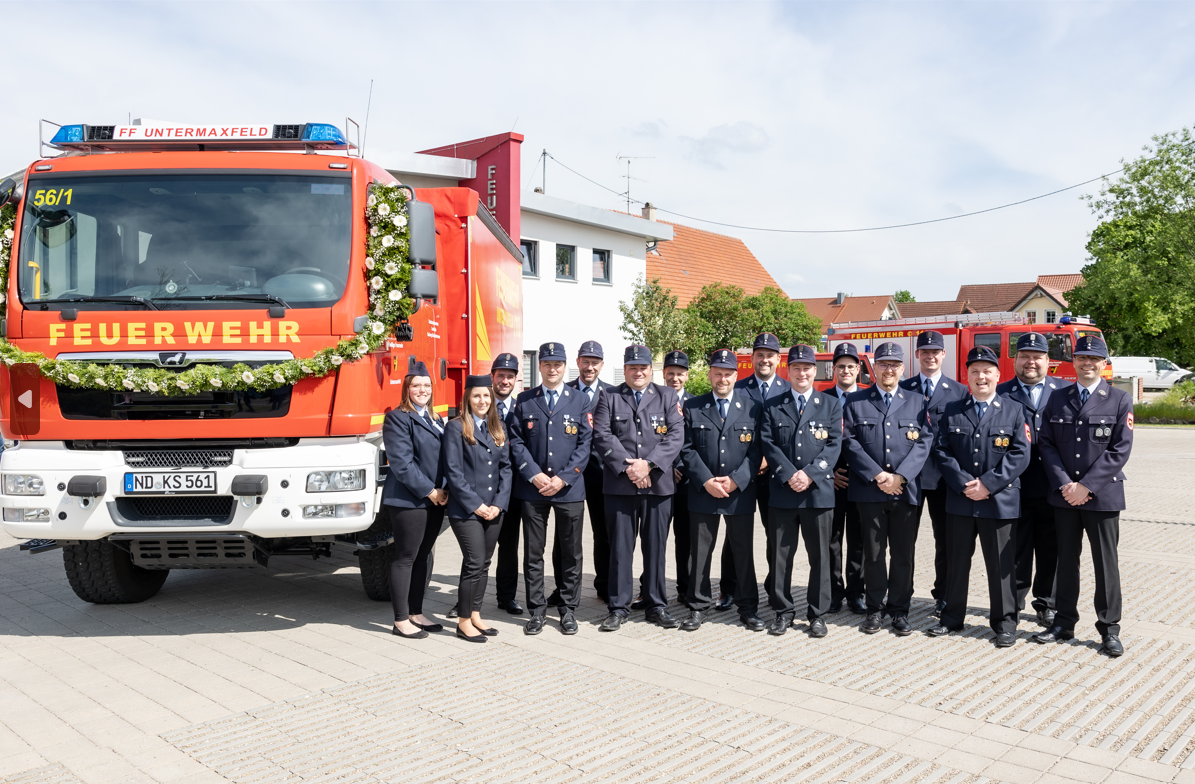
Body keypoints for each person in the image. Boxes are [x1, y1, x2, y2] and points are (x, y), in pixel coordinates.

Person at [1033, 335, 1132, 657]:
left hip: (1102, 496)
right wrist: (1065, 483)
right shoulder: (1057, 399)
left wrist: (1086, 486)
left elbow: (1119, 450)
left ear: (1104, 365)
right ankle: (1063, 622)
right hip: (1064, 496)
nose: (1087, 363)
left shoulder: (1119, 399)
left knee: (1106, 565)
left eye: (1094, 359)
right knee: (1065, 561)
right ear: (1073, 362)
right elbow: (1045, 444)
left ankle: (1109, 629)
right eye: (1081, 358)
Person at [927, 346, 1031, 647]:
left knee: (1001, 566)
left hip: (999, 501)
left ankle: (1005, 624)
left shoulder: (1013, 410)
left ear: (998, 375)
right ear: (967, 376)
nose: (981, 377)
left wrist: (988, 484)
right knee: (957, 562)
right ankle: (951, 618)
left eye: (987, 371)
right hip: (960, 500)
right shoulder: (953, 409)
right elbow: (942, 450)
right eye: (975, 372)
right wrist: (963, 483)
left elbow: (1020, 453)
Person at [592, 344, 684, 631]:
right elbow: (602, 436)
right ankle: (618, 607)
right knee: (619, 549)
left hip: (658, 486)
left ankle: (656, 604)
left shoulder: (667, 395)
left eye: (643, 367)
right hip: (620, 485)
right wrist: (630, 467)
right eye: (632, 368)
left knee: (656, 547)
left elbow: (676, 435)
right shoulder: (609, 396)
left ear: (650, 369)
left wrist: (649, 465)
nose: (638, 372)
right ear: (625, 369)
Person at [842, 342, 931, 636]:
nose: (888, 369)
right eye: (883, 364)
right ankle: (875, 609)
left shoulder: (918, 401)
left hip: (905, 492)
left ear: (903, 368)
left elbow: (924, 441)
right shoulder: (856, 402)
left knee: (904, 554)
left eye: (894, 364)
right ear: (874, 368)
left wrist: (901, 477)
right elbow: (849, 442)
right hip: (870, 491)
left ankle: (899, 610)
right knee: (873, 554)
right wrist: (878, 475)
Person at [508, 342, 593, 636]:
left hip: (569, 489)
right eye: (547, 364)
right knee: (533, 553)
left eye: (558, 364)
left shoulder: (579, 400)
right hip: (534, 490)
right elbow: (515, 441)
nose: (553, 369)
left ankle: (568, 610)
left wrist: (565, 478)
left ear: (565, 366)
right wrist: (533, 475)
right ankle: (536, 610)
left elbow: (585, 444)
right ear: (540, 366)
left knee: (571, 552)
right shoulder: (525, 399)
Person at [678, 349, 764, 632]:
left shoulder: (752, 406)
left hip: (739, 492)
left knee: (743, 551)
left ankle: (748, 607)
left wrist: (736, 480)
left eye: (728, 374)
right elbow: (687, 449)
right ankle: (698, 607)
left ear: (735, 376)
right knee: (700, 552)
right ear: (709, 374)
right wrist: (706, 480)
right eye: (717, 373)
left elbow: (757, 451)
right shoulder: (693, 406)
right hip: (703, 491)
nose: (722, 378)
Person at [760, 344, 843, 638]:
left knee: (820, 556)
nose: (802, 373)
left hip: (817, 493)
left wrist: (809, 475)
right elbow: (768, 444)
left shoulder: (830, 404)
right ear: (788, 370)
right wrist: (788, 474)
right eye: (796, 368)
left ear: (814, 371)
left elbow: (834, 445)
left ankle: (817, 614)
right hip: (782, 492)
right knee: (780, 556)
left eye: (807, 368)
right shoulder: (773, 405)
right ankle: (783, 611)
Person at [996, 333, 1071, 627]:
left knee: (1051, 548)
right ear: (1015, 360)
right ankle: (1012, 604)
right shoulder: (1000, 393)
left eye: (1037, 356)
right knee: (1015, 549)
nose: (1031, 362)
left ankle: (1047, 603)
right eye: (1024, 356)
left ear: (1048, 362)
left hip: (1054, 486)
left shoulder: (1065, 391)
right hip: (1014, 486)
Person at [719, 333, 792, 611]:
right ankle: (729, 589)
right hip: (743, 476)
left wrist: (769, 461)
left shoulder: (788, 389)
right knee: (735, 536)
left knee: (777, 536)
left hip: (778, 478)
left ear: (778, 359)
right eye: (759, 354)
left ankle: (775, 589)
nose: (764, 359)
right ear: (752, 359)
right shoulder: (737, 388)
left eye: (769, 355)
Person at [899, 330, 967, 616]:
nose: (929, 356)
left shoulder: (960, 391)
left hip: (943, 479)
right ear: (917, 355)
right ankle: (901, 595)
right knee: (904, 541)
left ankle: (943, 595)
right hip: (909, 478)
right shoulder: (903, 387)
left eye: (935, 352)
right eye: (924, 352)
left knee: (946, 542)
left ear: (943, 355)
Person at [441, 375, 513, 643]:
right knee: (473, 562)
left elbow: (506, 470)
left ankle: (475, 614)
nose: (482, 401)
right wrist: (478, 506)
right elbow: (454, 473)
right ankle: (462, 622)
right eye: (476, 396)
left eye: (486, 396)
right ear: (467, 399)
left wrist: (498, 505)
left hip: (494, 510)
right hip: (467, 510)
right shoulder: (455, 428)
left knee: (483, 564)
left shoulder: (498, 428)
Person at [380, 360, 448, 640]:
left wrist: (443, 488)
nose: (423, 390)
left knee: (423, 556)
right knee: (406, 557)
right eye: (416, 385)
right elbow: (402, 464)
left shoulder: (436, 418)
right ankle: (399, 620)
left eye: (427, 385)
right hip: (410, 500)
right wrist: (431, 491)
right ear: (406, 389)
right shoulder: (398, 418)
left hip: (434, 498)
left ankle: (416, 612)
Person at [633, 350, 693, 610]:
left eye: (680, 374)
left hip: (687, 482)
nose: (675, 378)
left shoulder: (696, 403)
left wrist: (681, 468)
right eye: (670, 373)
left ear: (687, 376)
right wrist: (665, 467)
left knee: (686, 540)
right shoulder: (652, 399)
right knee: (654, 539)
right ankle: (647, 589)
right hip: (657, 479)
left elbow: (692, 443)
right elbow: (645, 440)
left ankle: (686, 590)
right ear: (663, 374)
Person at [567, 340, 616, 603]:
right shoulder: (565, 392)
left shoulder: (613, 393)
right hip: (571, 477)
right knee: (567, 537)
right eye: (585, 361)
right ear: (577, 363)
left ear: (601, 365)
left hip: (601, 475)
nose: (589, 367)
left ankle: (605, 584)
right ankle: (565, 588)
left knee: (603, 534)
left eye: (594, 362)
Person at [824, 342, 868, 615]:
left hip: (860, 480)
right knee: (831, 539)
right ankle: (832, 592)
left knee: (859, 539)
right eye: (840, 366)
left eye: (851, 366)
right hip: (830, 480)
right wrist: (827, 472)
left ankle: (857, 592)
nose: (846, 370)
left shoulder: (867, 399)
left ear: (858, 369)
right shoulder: (822, 399)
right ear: (833, 369)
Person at [490, 353, 525, 616]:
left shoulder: (522, 407)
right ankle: (468, 597)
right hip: (484, 489)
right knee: (478, 547)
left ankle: (507, 597)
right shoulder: (479, 403)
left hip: (513, 490)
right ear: (492, 377)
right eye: (500, 375)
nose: (505, 380)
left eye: (509, 376)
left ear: (516, 380)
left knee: (509, 546)